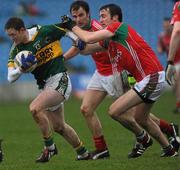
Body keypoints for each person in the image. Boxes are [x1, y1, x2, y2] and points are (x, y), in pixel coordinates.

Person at [63, 1, 180, 158]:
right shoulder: (110, 36)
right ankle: (167, 147)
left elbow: (88, 39)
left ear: (115, 18)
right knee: (136, 116)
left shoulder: (113, 28)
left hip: (129, 74)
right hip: (119, 75)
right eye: (74, 17)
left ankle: (147, 137)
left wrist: (72, 28)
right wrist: (67, 49)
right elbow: (86, 48)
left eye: (104, 16)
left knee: (122, 112)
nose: (101, 19)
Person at [5, 17, 90, 163]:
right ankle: (83, 153)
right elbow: (10, 77)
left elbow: (66, 28)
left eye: (13, 35)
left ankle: (50, 148)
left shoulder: (44, 31)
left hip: (60, 78)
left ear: (22, 30)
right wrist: (20, 69)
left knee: (35, 108)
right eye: (9, 36)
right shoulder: (16, 49)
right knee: (59, 127)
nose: (12, 38)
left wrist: (75, 39)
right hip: (45, 86)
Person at [166, 1, 180, 113]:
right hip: (176, 61)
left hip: (177, 61)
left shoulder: (178, 5)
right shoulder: (162, 37)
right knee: (175, 85)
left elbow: (177, 31)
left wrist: (169, 61)